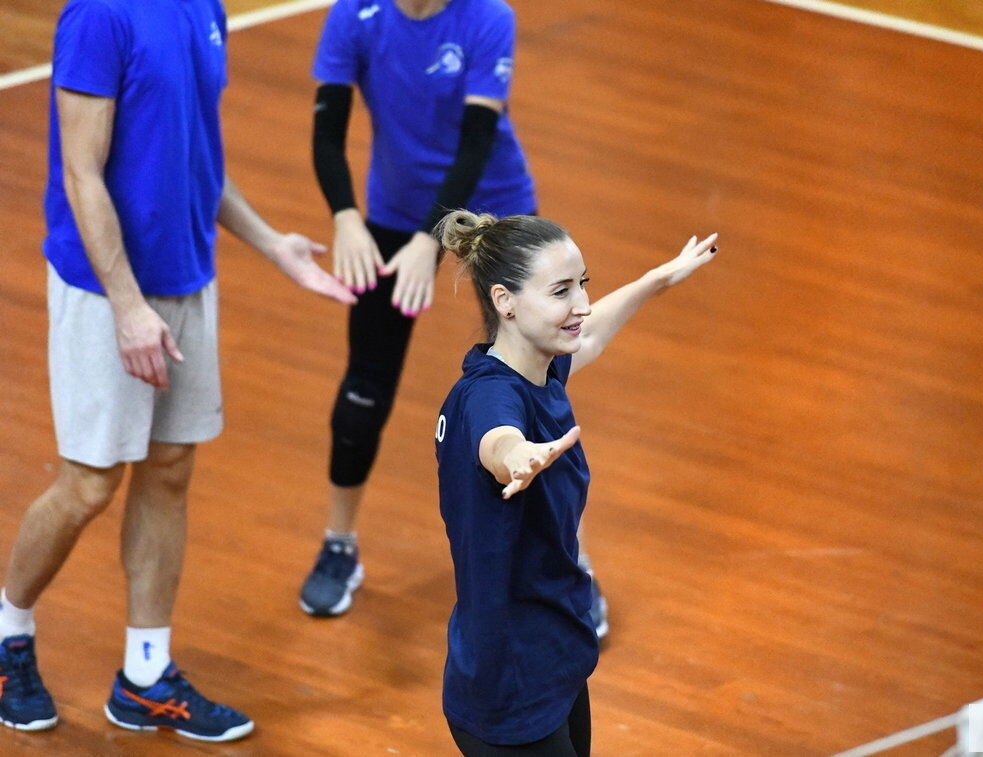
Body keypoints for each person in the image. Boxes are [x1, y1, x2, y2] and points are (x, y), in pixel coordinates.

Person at [0, 0, 354, 742]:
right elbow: (82, 172)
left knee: (168, 470)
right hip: (106, 290)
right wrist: (127, 306)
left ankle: (145, 675)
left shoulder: (202, 8)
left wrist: (271, 244)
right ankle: (8, 635)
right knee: (89, 482)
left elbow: (196, 158)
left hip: (188, 278)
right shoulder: (98, 18)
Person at [302, 0, 608, 635]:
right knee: (364, 389)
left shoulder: (487, 17)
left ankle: (570, 559)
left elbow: (475, 141)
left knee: (537, 379)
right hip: (392, 214)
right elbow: (327, 129)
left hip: (495, 214)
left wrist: (430, 238)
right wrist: (346, 217)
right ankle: (338, 543)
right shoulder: (354, 15)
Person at [433, 210, 717, 756]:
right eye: (561, 291)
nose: (582, 304)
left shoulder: (538, 368)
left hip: (552, 651)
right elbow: (497, 438)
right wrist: (517, 457)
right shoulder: (490, 396)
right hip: (510, 683)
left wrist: (657, 280)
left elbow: (595, 331)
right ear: (504, 301)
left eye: (582, 283)